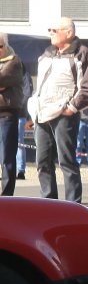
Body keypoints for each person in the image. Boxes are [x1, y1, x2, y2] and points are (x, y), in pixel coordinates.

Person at [33, 17, 88, 202]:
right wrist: (34, 107)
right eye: (50, 30)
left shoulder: (82, 53)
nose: (51, 33)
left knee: (67, 162)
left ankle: (73, 205)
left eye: (54, 30)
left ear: (68, 33)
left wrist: (71, 108)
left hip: (64, 115)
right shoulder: (47, 53)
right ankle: (48, 203)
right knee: (42, 162)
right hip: (42, 114)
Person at [0, 33, 22, 196]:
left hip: (6, 115)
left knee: (6, 158)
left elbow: (3, 79)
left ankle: (7, 196)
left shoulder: (14, 61)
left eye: (0, 46)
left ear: (5, 46)